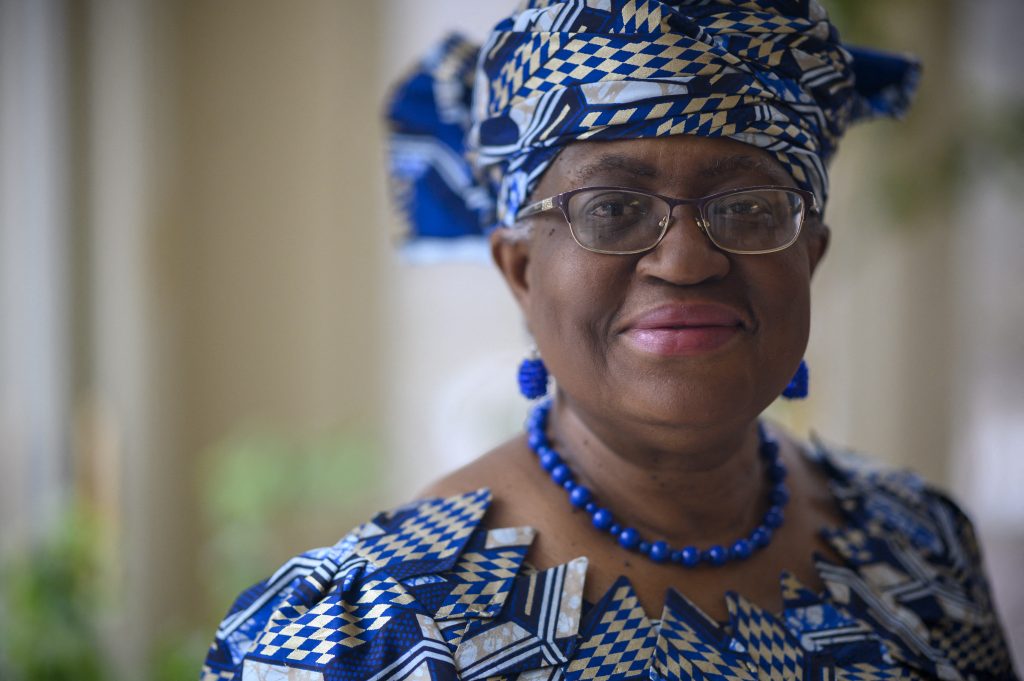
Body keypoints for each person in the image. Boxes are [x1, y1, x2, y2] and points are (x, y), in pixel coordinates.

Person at [201, 2, 1019, 680]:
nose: (687, 259)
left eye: (747, 205)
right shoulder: (362, 636)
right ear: (520, 271)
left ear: (811, 253)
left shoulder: (922, 546)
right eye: (612, 209)